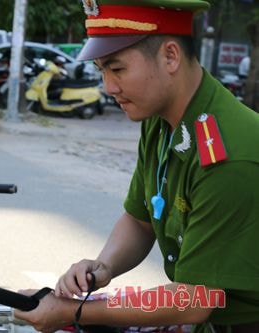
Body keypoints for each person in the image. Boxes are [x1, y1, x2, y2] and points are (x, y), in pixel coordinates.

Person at [14, 1, 259, 332]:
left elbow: (195, 300)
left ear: (170, 56)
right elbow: (140, 219)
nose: (108, 87)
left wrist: (70, 312)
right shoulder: (162, 120)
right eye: (102, 70)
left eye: (117, 69)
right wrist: (103, 266)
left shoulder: (228, 154)